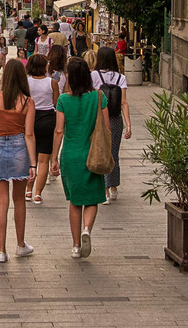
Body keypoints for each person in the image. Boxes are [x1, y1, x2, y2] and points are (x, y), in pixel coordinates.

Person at [0, 60, 37, 263]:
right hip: (20, 147)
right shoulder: (28, 102)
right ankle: (20, 244)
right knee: (19, 200)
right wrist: (33, 163)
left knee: (2, 202)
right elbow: (29, 135)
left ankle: (1, 250)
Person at [51, 57, 109, 258]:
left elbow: (59, 131)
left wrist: (53, 158)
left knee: (75, 201)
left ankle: (76, 245)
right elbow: (106, 128)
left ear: (70, 77)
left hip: (71, 155)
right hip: (93, 154)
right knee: (91, 199)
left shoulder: (63, 100)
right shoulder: (99, 97)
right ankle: (87, 229)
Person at [92, 47, 132, 203]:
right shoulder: (120, 77)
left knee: (100, 151)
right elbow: (123, 102)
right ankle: (113, 187)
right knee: (113, 153)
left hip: (98, 119)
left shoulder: (94, 76)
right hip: (115, 119)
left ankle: (104, 190)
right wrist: (128, 125)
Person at [25, 54, 59, 204]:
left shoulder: (26, 82)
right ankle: (38, 193)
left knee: (30, 158)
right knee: (44, 160)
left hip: (30, 120)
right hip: (48, 119)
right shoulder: (52, 83)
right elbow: (56, 103)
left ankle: (28, 190)